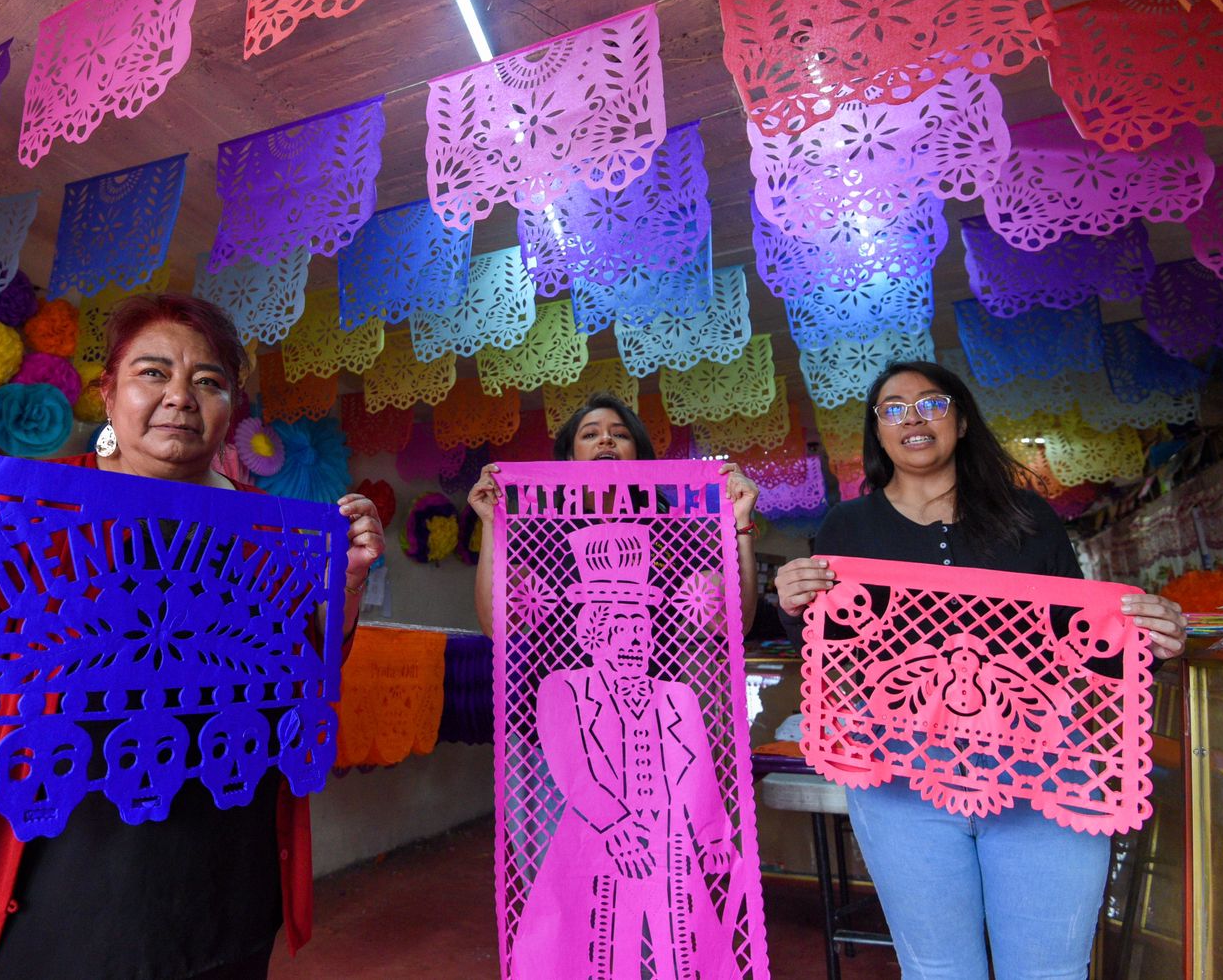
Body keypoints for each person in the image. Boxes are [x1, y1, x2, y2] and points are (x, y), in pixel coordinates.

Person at [0, 294, 385, 980]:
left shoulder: (273, 528)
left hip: (221, 861)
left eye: (208, 382)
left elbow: (308, 665)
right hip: (47, 869)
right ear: (109, 395)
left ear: (232, 408)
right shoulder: (22, 502)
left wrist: (346, 580)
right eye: (154, 373)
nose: (180, 397)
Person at [773, 361, 1186, 980]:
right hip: (901, 776)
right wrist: (791, 601)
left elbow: (1075, 643)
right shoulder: (846, 527)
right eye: (893, 408)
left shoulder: (1026, 515)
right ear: (877, 432)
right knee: (939, 970)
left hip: (1043, 768)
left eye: (931, 403)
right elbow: (832, 651)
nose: (913, 417)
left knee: (1050, 971)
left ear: (961, 421)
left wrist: (1147, 641)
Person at [507, 523, 739, 980]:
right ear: (592, 634)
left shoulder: (677, 697)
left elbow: (701, 771)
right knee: (597, 943)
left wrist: (713, 834)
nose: (633, 639)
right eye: (618, 626)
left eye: (641, 626)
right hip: (595, 837)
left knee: (679, 947)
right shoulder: (565, 688)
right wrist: (614, 825)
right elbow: (569, 761)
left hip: (669, 841)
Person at [468, 392, 760, 637]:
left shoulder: (669, 533)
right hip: (561, 699)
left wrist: (740, 523)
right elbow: (498, 625)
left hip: (654, 702)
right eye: (591, 434)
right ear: (571, 457)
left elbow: (732, 625)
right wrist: (492, 524)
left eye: (620, 434)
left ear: (638, 456)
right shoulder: (543, 532)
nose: (606, 440)